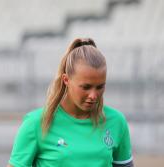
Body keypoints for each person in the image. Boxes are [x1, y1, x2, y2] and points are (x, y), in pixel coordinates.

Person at [7, 38, 134, 167]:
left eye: (100, 87)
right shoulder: (35, 124)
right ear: (66, 80)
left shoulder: (117, 122)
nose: (93, 95)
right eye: (86, 87)